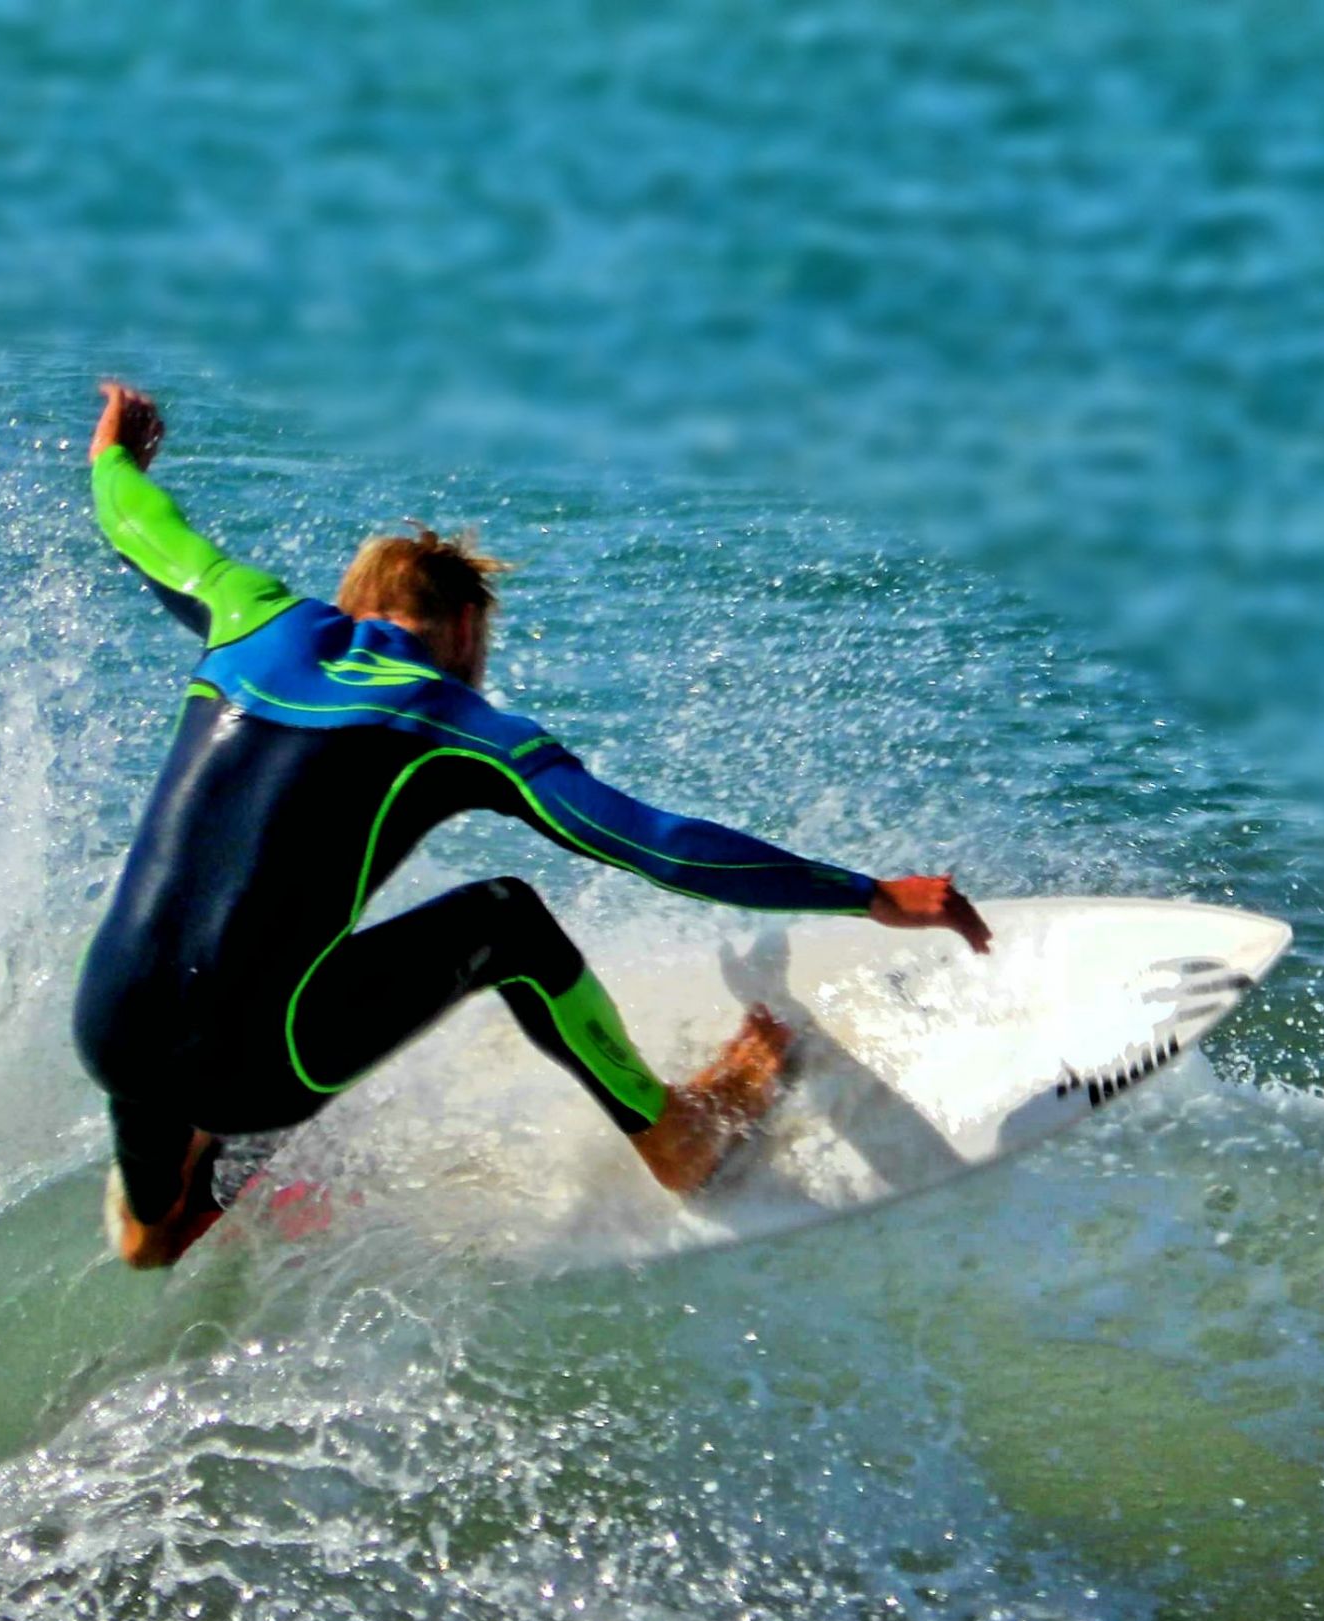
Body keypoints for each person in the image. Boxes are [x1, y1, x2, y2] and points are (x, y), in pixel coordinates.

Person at [74, 381, 992, 1269]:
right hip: (252, 1071)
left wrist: (114, 453)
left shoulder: (247, 612)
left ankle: (162, 1215)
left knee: (192, 1051)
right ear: (465, 625)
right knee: (503, 918)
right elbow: (654, 842)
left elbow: (137, 523)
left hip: (107, 1029)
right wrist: (869, 895)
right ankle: (674, 1136)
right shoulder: (450, 721)